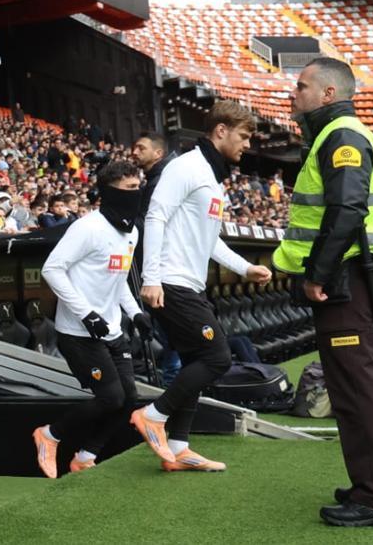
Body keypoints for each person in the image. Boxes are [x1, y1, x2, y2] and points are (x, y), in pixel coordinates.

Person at [272, 58, 373, 527]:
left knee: (355, 387)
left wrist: (317, 275)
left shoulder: (341, 135)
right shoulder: (339, 134)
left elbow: (347, 207)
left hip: (344, 280)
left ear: (328, 94)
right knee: (359, 386)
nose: (294, 96)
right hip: (350, 277)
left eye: (301, 87)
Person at [134, 100, 272, 472]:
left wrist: (246, 268)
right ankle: (152, 415)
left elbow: (210, 240)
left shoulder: (212, 179)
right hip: (170, 282)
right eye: (243, 136)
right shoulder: (186, 166)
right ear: (220, 131)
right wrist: (151, 278)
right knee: (217, 357)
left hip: (188, 284)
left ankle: (178, 448)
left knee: (197, 360)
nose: (247, 144)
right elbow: (155, 215)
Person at [32, 161, 149, 476]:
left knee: (128, 399)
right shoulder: (87, 227)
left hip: (112, 330)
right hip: (78, 333)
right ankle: (49, 435)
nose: (136, 194)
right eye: (129, 189)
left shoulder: (131, 231)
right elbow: (52, 269)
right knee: (111, 397)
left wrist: (135, 313)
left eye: (138, 188)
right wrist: (87, 314)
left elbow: (119, 279)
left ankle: (85, 456)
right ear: (110, 192)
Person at [132, 131, 181, 384]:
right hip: (165, 268)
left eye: (141, 148)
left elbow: (149, 225)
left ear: (158, 153)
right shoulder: (158, 178)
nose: (135, 152)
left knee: (172, 336)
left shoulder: (162, 181)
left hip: (162, 270)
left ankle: (173, 396)